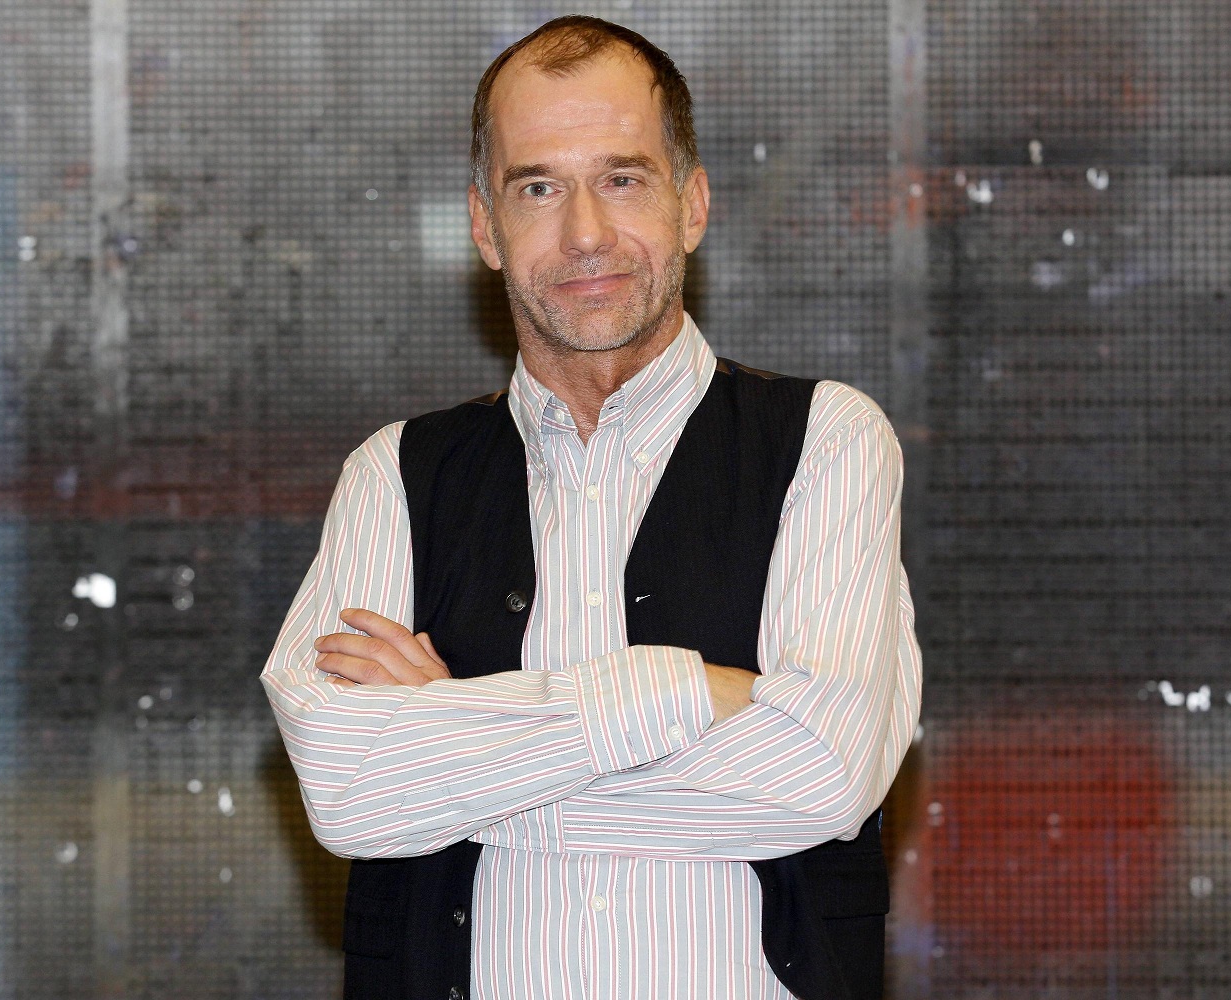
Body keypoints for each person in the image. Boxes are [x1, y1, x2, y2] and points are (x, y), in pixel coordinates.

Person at [261, 15, 921, 1000]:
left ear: (692, 205)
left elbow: (822, 775)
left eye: (622, 179)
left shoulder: (828, 440)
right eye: (538, 187)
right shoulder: (393, 472)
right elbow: (349, 792)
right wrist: (680, 690)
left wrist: (447, 747)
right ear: (485, 226)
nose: (584, 235)